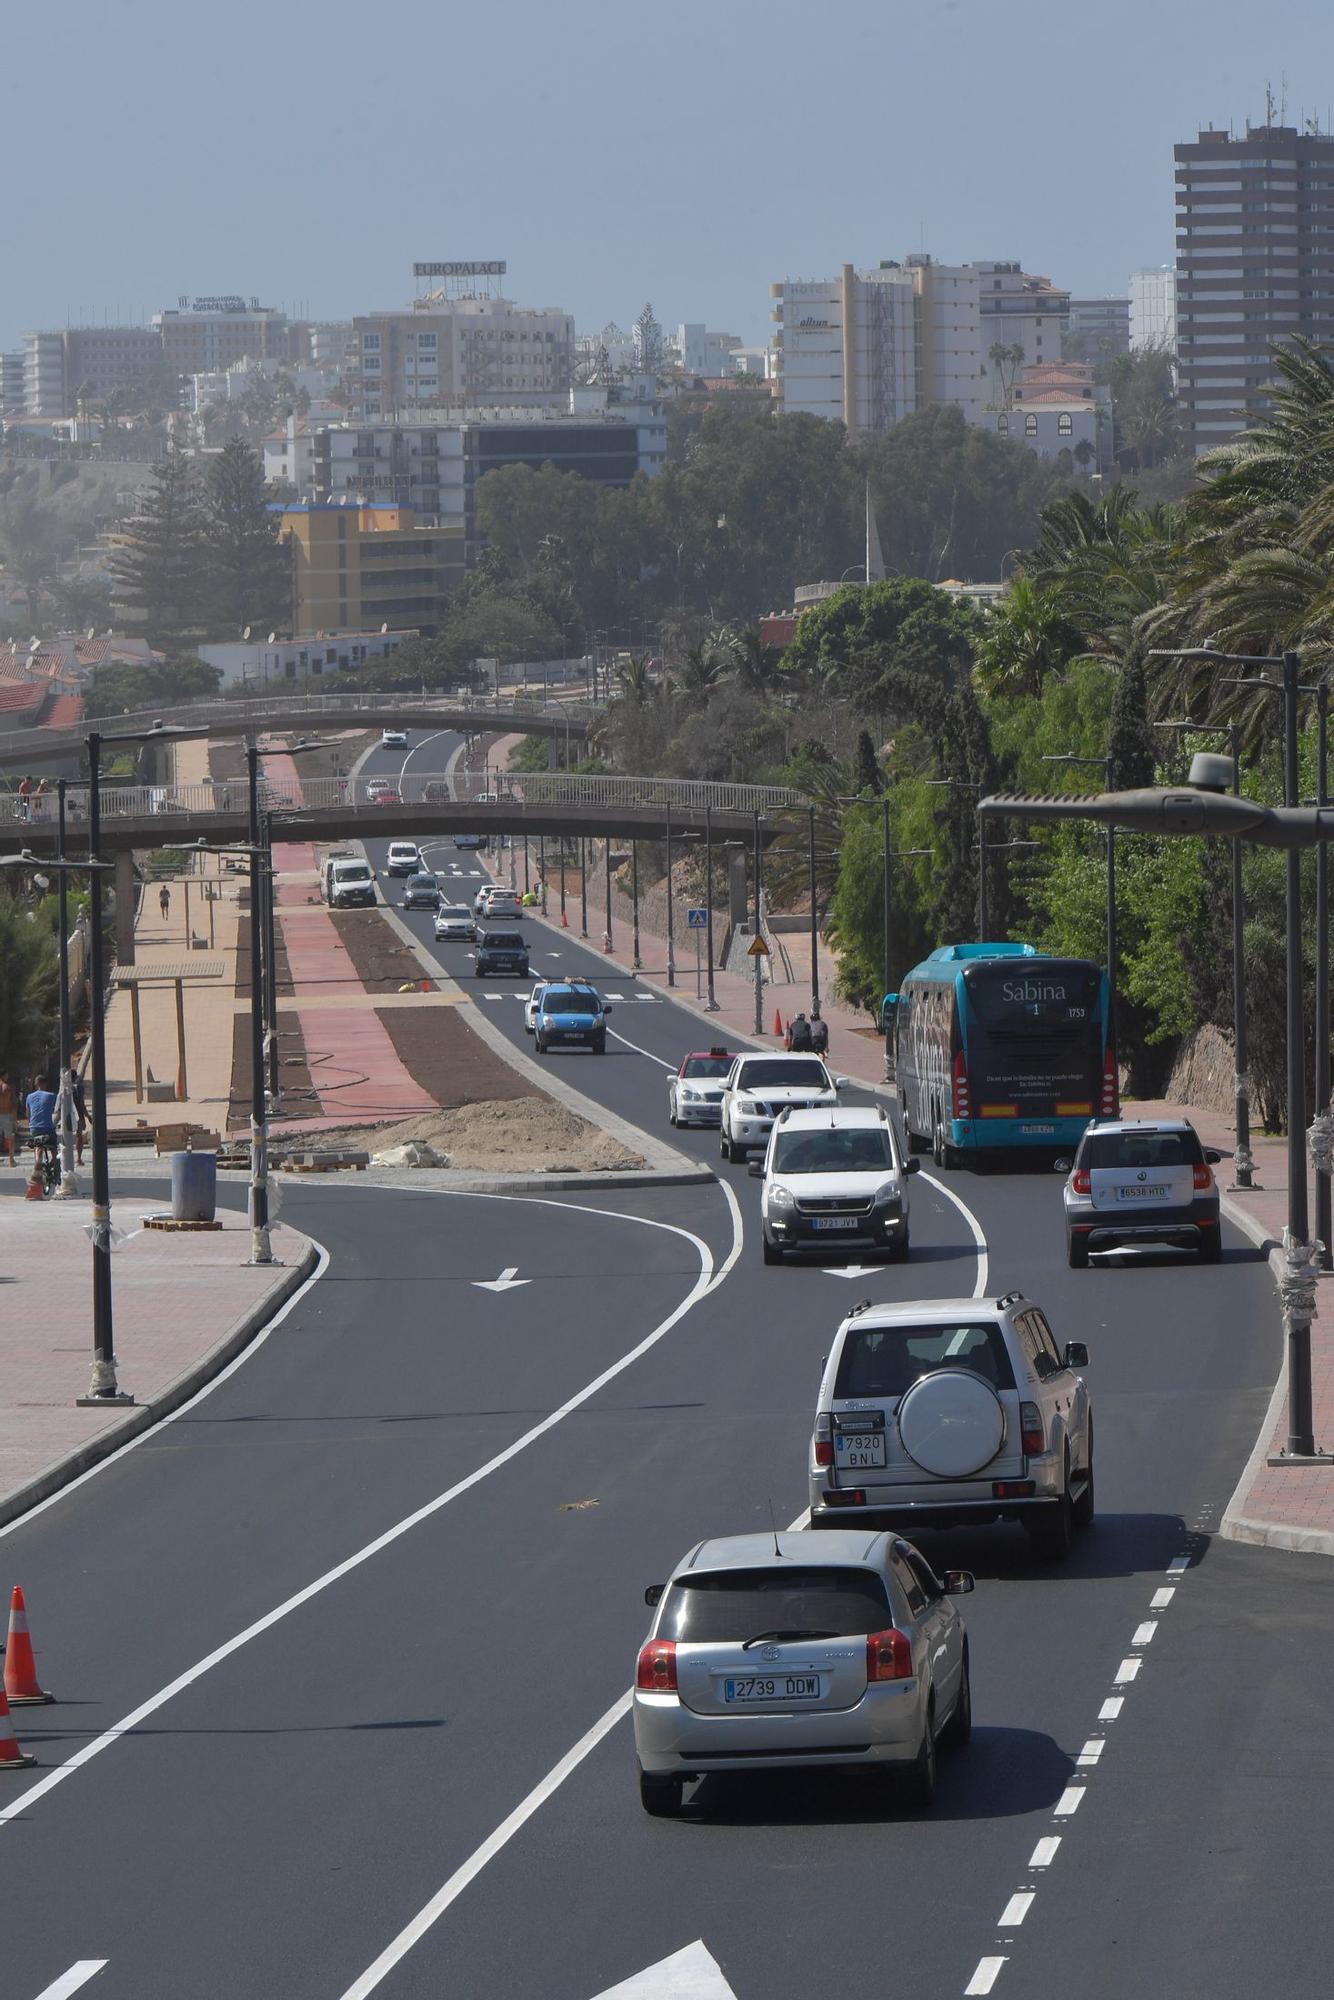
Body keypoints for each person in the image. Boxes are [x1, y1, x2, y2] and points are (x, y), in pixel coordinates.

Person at [25, 1076, 57, 1160]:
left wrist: (31, 1125)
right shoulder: (52, 1095)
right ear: (45, 1084)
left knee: (37, 1145)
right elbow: (58, 1110)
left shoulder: (29, 1096)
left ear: (36, 1084)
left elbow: (28, 1114)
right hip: (48, 1128)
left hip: (34, 1128)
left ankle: (37, 1162)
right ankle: (55, 1162)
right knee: (53, 1147)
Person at [0, 1071, 16, 1167]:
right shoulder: (8, 1088)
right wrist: (14, 1119)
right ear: (4, 1075)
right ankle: (11, 1160)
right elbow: (13, 1104)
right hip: (6, 1114)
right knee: (11, 1138)